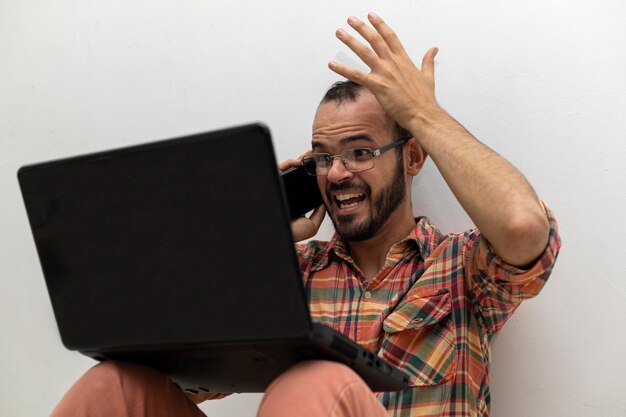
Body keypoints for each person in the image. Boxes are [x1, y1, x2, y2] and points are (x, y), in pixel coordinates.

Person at [50, 12, 560, 417]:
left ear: (412, 155)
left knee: (318, 376)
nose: (336, 174)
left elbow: (522, 225)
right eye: (321, 157)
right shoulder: (286, 274)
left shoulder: (461, 266)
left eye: (360, 152)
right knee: (114, 388)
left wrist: (420, 114)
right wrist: (254, 235)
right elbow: (179, 375)